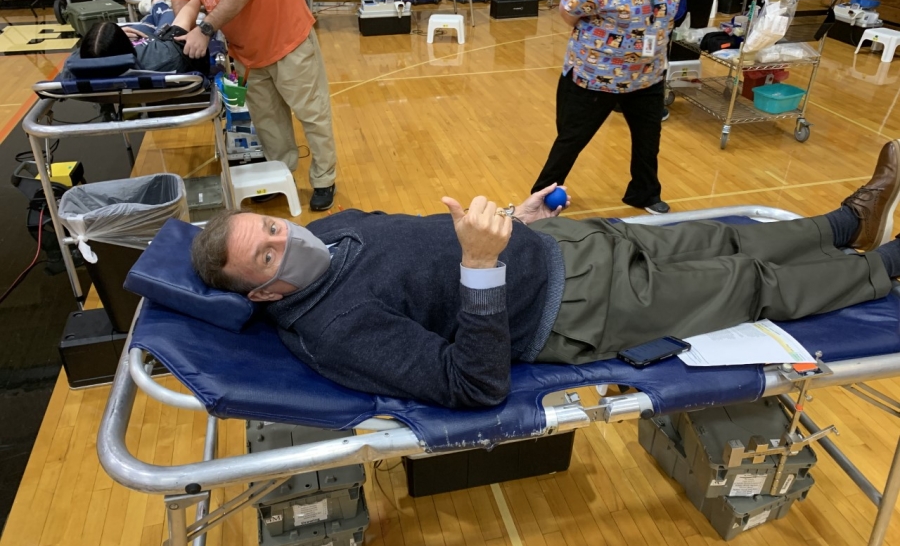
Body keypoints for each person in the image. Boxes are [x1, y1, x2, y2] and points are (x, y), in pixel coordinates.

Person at [190, 142, 900, 410]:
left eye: (276, 226)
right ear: (261, 291)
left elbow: (427, 237)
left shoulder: (334, 228)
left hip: (562, 241)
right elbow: (475, 383)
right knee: (746, 284)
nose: (290, 237)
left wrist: (510, 218)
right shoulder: (334, 331)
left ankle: (846, 224)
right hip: (573, 309)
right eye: (271, 253)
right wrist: (478, 263)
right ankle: (881, 269)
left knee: (723, 232)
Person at [155, 0, 338, 211]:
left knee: (312, 113)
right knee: (268, 121)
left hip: (286, 36)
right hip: (244, 48)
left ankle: (324, 179)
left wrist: (205, 30)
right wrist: (186, 31)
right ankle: (282, 175)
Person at [531, 0, 685, 215]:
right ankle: (538, 201)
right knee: (571, 141)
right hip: (596, 74)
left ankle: (644, 193)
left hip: (647, 74)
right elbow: (569, 10)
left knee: (648, 141)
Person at [62, 0, 209, 77]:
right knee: (167, 13)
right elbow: (185, 16)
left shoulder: (76, 69)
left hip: (137, 33)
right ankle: (156, 0)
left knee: (147, 21)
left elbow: (77, 56)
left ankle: (152, 4)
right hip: (157, 38)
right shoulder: (164, 57)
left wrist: (112, 35)